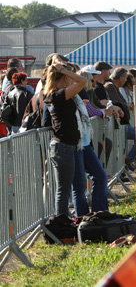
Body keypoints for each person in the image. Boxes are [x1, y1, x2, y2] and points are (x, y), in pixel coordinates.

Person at [43, 60, 87, 216]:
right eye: (68, 77)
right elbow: (82, 81)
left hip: (62, 146)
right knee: (63, 189)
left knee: (64, 188)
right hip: (64, 146)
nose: (71, 79)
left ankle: (63, 221)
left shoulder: (52, 94)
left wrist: (64, 69)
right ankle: (62, 222)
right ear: (62, 78)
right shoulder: (58, 95)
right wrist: (63, 69)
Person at [72, 70, 117, 216]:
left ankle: (99, 213)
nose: (93, 82)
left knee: (99, 176)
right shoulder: (79, 93)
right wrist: (104, 112)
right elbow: (90, 111)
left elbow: (90, 109)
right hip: (76, 143)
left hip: (84, 141)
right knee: (79, 186)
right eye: (91, 79)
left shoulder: (84, 93)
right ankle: (84, 218)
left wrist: (105, 111)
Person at [105, 67, 136, 170]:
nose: (126, 80)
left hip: (122, 124)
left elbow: (123, 102)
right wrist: (127, 105)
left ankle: (126, 163)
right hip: (118, 125)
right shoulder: (110, 86)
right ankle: (127, 161)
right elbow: (120, 102)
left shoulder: (115, 87)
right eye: (125, 78)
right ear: (120, 78)